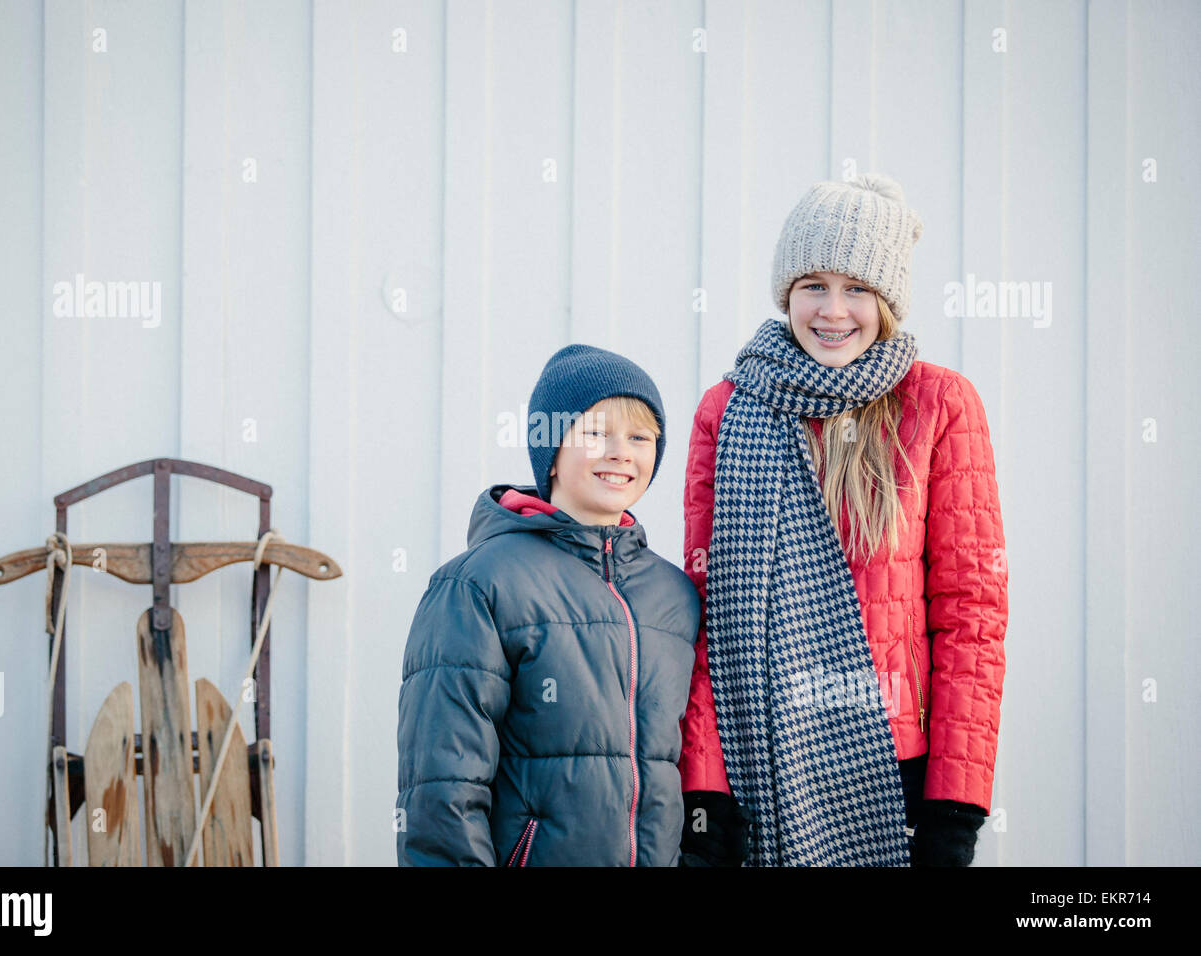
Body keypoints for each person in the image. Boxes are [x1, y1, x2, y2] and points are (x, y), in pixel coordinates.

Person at [679, 173, 1008, 867]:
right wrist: (704, 792)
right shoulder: (728, 409)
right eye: (813, 286)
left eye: (857, 287)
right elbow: (706, 610)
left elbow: (971, 612)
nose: (833, 311)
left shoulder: (938, 405)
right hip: (758, 759)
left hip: (893, 771)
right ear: (786, 294)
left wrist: (956, 803)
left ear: (887, 300)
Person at [396, 345, 700, 865]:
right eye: (596, 433)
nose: (621, 452)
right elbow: (442, 786)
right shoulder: (479, 584)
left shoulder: (674, 595)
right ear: (551, 448)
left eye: (639, 437)